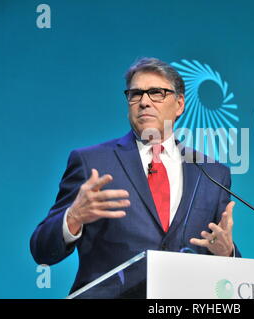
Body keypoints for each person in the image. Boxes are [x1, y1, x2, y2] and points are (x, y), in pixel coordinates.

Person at [30, 57, 240, 298]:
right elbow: (42, 250)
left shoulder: (211, 173)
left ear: (179, 104)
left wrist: (227, 253)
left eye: (156, 93)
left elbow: (225, 270)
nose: (144, 102)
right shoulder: (93, 163)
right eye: (135, 94)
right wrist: (73, 218)